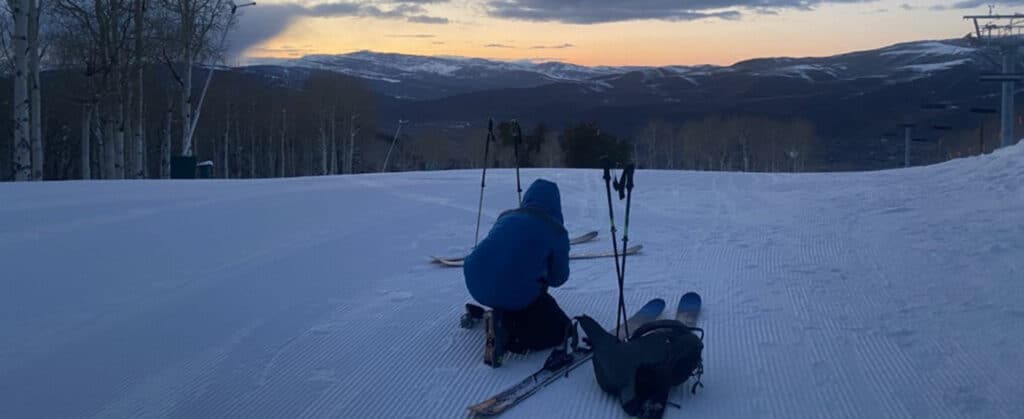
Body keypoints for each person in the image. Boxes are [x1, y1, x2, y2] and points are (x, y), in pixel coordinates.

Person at [463, 179, 572, 367]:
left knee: (513, 281)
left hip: (474, 279)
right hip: (511, 290)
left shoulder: (506, 216)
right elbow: (558, 278)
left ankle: (500, 313)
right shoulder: (556, 231)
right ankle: (507, 331)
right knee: (561, 329)